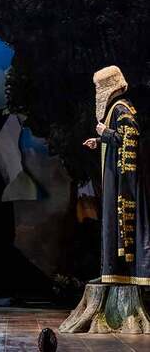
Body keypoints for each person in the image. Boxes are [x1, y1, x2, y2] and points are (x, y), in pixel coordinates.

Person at [83, 65, 148, 285]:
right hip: (114, 176)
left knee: (114, 222)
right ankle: (110, 272)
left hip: (121, 179)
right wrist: (100, 141)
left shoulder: (121, 108)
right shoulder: (118, 108)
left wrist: (105, 133)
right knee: (109, 222)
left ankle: (118, 273)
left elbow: (130, 137)